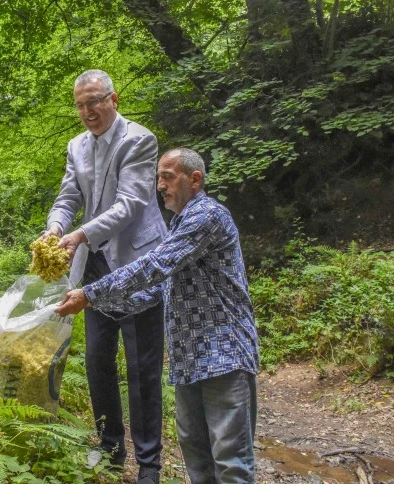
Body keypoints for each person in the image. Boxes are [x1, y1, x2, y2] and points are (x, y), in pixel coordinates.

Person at [56, 148, 260, 483]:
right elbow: (154, 291)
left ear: (194, 179)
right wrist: (87, 304)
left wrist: (90, 292)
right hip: (189, 362)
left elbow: (154, 265)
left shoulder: (207, 216)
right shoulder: (181, 224)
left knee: (230, 462)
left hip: (224, 357)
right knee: (197, 460)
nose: (160, 185)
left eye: (167, 176)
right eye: (157, 177)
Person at [39, 69, 167, 483]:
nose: (88, 111)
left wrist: (80, 233)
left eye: (95, 101)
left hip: (137, 264)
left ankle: (149, 466)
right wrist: (57, 227)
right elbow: (69, 195)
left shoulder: (140, 140)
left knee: (142, 368)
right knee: (97, 361)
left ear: (113, 99)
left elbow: (131, 203)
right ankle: (111, 448)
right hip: (94, 265)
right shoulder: (76, 145)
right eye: (80, 104)